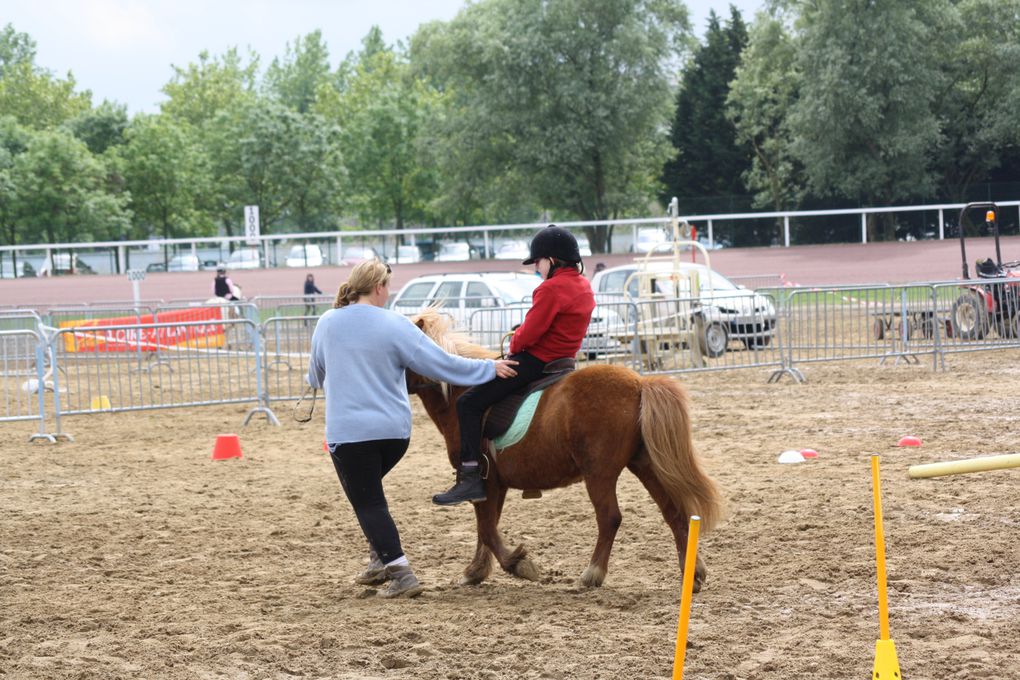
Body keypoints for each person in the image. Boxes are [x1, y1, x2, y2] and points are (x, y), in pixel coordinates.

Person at [307, 260, 519, 598]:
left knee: (368, 502)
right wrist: (489, 367)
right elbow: (443, 364)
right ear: (379, 287)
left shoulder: (328, 322)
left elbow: (315, 376)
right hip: (395, 434)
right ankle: (378, 559)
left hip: (350, 434)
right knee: (366, 494)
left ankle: (400, 572)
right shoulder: (397, 324)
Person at [433, 225, 596, 506]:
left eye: (538, 262)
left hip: (535, 363)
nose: (537, 267)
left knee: (468, 404)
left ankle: (469, 477)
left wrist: (515, 338)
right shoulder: (583, 285)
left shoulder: (550, 288)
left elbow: (528, 335)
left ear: (552, 260)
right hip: (565, 362)